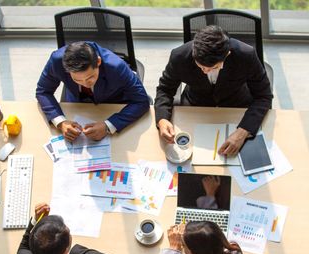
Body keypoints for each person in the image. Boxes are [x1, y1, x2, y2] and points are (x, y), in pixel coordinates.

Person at [155, 25, 273, 156]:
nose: (205, 71)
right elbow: (165, 89)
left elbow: (264, 96)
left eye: (213, 67)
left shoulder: (246, 55)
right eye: (200, 66)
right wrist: (162, 119)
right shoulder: (179, 56)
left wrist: (243, 132)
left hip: (236, 106)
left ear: (227, 54)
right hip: (196, 106)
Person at [36, 41, 150, 142]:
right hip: (77, 103)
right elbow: (43, 91)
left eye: (90, 77)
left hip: (111, 102)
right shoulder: (56, 61)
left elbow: (142, 101)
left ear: (99, 62)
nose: (85, 83)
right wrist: (61, 122)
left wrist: (108, 126)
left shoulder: (116, 66)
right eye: (77, 79)